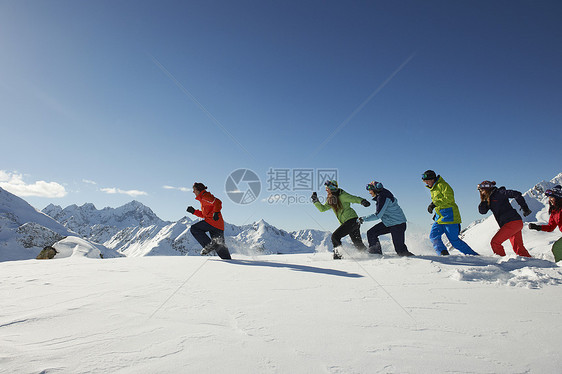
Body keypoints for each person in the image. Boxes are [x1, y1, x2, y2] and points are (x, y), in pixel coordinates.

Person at [422, 170, 479, 256]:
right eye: (424, 181)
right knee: (433, 236)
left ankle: (474, 256)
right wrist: (436, 212)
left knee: (454, 241)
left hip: (450, 217)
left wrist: (434, 204)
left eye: (427, 180)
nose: (426, 182)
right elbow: (441, 203)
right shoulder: (433, 188)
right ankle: (443, 254)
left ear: (433, 179)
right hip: (440, 217)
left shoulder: (443, 185)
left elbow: (449, 199)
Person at [312, 180, 370, 259]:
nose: (326, 190)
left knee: (335, 236)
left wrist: (362, 201)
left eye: (328, 188)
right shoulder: (331, 199)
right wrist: (315, 201)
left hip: (352, 220)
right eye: (326, 188)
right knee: (357, 243)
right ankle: (368, 255)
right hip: (350, 222)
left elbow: (353, 198)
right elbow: (323, 208)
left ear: (333, 188)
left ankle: (338, 257)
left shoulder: (342, 195)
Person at [358, 181, 414, 256]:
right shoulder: (382, 196)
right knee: (371, 233)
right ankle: (375, 254)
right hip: (389, 223)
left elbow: (378, 215)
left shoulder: (383, 197)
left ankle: (414, 262)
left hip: (397, 225)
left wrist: (363, 219)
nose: (369, 192)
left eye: (370, 189)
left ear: (375, 189)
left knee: (401, 251)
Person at [478, 180, 532, 257]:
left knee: (495, 242)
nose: (482, 191)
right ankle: (530, 262)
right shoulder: (488, 199)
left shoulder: (499, 193)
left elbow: (516, 194)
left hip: (512, 222)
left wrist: (524, 207)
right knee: (518, 248)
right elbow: (482, 211)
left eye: (483, 189)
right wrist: (483, 201)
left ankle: (502, 263)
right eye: (481, 190)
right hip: (515, 222)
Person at [186, 182, 231, 260]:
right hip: (218, 225)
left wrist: (216, 212)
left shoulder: (205, 196)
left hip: (212, 222)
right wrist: (194, 211)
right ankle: (230, 261)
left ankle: (208, 246)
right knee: (219, 246)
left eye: (194, 190)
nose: (193, 192)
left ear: (198, 190)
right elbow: (204, 215)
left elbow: (218, 202)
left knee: (194, 229)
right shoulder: (203, 199)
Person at [529, 185, 562, 262]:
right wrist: (538, 227)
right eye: (549, 198)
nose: (550, 200)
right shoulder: (554, 212)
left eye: (552, 197)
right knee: (557, 248)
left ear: (558, 197)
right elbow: (550, 227)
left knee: (558, 248)